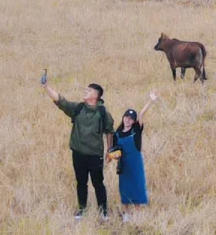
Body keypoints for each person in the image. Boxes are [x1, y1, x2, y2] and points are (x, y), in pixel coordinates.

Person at [43, 79, 115, 219]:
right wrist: (46, 87)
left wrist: (110, 150)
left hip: (95, 155)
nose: (85, 91)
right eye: (85, 90)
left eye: (89, 90)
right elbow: (61, 101)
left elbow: (109, 131)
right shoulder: (78, 108)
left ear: (96, 96)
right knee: (81, 182)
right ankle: (82, 209)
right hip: (78, 153)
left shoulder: (103, 112)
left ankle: (103, 211)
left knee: (98, 183)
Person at [114, 93, 158, 217]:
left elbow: (141, 114)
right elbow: (114, 150)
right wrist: (111, 157)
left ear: (134, 121)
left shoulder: (136, 130)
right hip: (123, 164)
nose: (127, 120)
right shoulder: (117, 133)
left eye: (131, 119)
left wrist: (150, 101)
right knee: (125, 188)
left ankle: (137, 213)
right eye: (126, 117)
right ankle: (126, 213)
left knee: (137, 185)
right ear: (123, 118)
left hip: (136, 163)